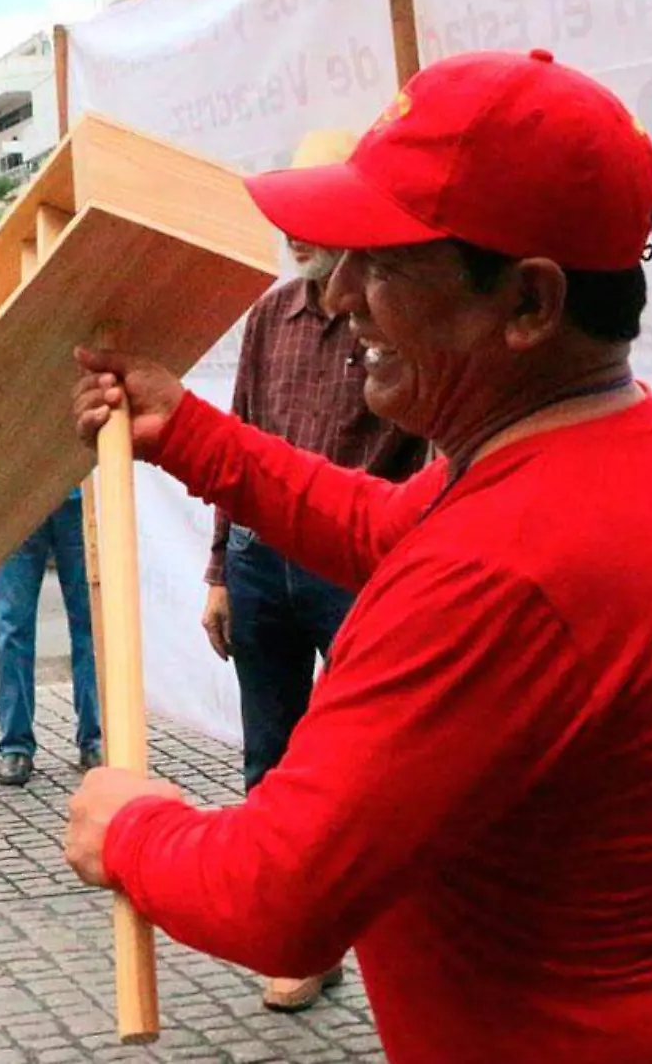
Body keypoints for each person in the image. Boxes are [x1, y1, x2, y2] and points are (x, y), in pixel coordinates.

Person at [64, 50, 652, 1064]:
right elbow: (385, 525)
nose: (339, 294)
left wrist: (132, 828)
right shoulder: (596, 447)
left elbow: (280, 897)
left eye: (383, 262)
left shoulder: (511, 565)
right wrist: (188, 431)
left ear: (528, 304)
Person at [203, 129, 430, 1011]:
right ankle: (299, 939)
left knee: (365, 765)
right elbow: (240, 441)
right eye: (290, 220)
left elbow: (423, 455)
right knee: (272, 758)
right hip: (261, 565)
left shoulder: (395, 321)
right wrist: (221, 570)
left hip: (353, 568)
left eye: (315, 219)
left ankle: (377, 935)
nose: (297, 237)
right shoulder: (270, 315)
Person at [0, 487, 101, 786]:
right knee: (12, 627)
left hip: (81, 496)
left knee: (92, 623)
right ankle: (15, 745)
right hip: (15, 497)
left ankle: (96, 738)